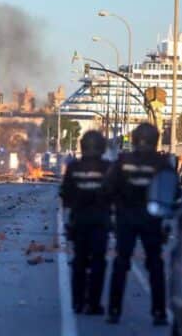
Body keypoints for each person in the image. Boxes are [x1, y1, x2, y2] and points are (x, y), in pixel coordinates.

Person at [104, 122, 172, 326]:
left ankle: (114, 311)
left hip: (126, 218)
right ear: (155, 140)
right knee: (155, 265)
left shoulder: (122, 161)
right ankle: (159, 313)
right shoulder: (162, 163)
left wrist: (114, 211)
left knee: (121, 263)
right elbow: (171, 192)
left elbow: (107, 188)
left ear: (133, 140)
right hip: (152, 219)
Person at [60, 130, 112, 315]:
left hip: (79, 220)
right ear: (102, 147)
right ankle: (94, 303)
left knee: (79, 261)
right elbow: (115, 194)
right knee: (99, 261)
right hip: (101, 221)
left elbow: (65, 195)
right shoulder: (108, 168)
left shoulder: (74, 168)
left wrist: (67, 221)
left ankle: (77, 301)